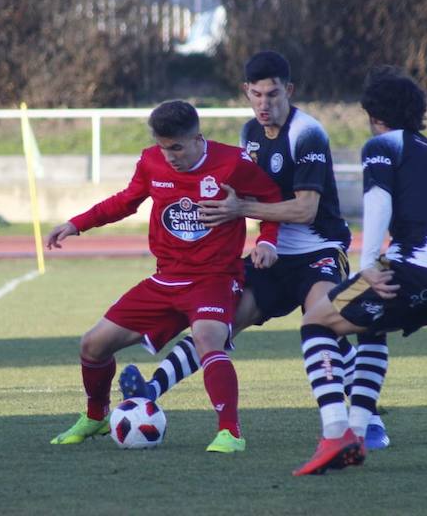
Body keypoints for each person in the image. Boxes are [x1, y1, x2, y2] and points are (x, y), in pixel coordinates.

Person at [117, 51, 393, 450]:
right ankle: (150, 391)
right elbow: (244, 192)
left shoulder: (307, 132)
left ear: (289, 91)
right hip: (274, 257)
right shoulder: (249, 134)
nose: (265, 104)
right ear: (246, 92)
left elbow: (305, 208)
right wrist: (260, 238)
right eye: (257, 95)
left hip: (318, 251)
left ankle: (369, 422)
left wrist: (240, 209)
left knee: (326, 322)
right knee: (218, 326)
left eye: (273, 95)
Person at [46, 100, 283, 453]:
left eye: (177, 147)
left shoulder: (233, 164)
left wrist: (266, 241)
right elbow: (126, 201)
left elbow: (272, 202)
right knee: (92, 345)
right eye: (163, 146)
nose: (170, 156)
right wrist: (76, 223)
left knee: (208, 338)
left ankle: (229, 432)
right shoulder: (151, 160)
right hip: (166, 279)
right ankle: (96, 415)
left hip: (214, 278)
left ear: (197, 138)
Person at [291, 67, 427, 476]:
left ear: (375, 116)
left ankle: (336, 430)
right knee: (370, 327)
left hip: (407, 267)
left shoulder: (382, 145)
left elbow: (378, 202)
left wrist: (368, 265)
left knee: (315, 322)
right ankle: (358, 433)